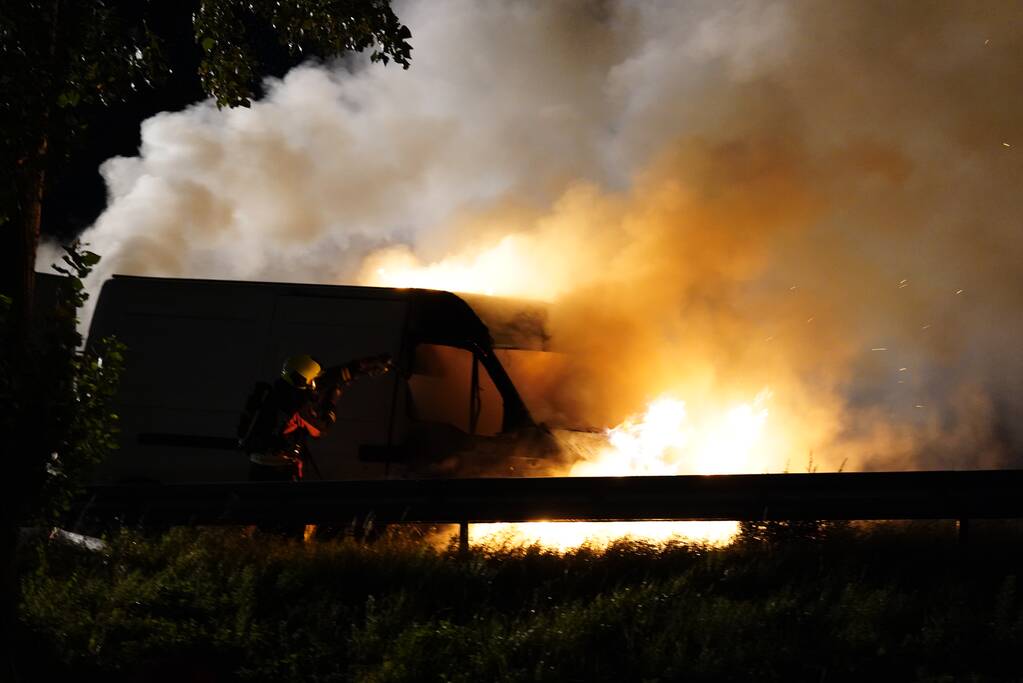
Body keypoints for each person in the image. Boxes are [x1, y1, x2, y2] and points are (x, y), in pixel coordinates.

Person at [237, 352, 393, 482]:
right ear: (304, 381)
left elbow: (325, 379)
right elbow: (321, 429)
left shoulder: (279, 390)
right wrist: (332, 402)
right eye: (313, 380)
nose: (315, 383)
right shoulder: (297, 407)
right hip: (279, 471)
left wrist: (360, 366)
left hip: (256, 466)